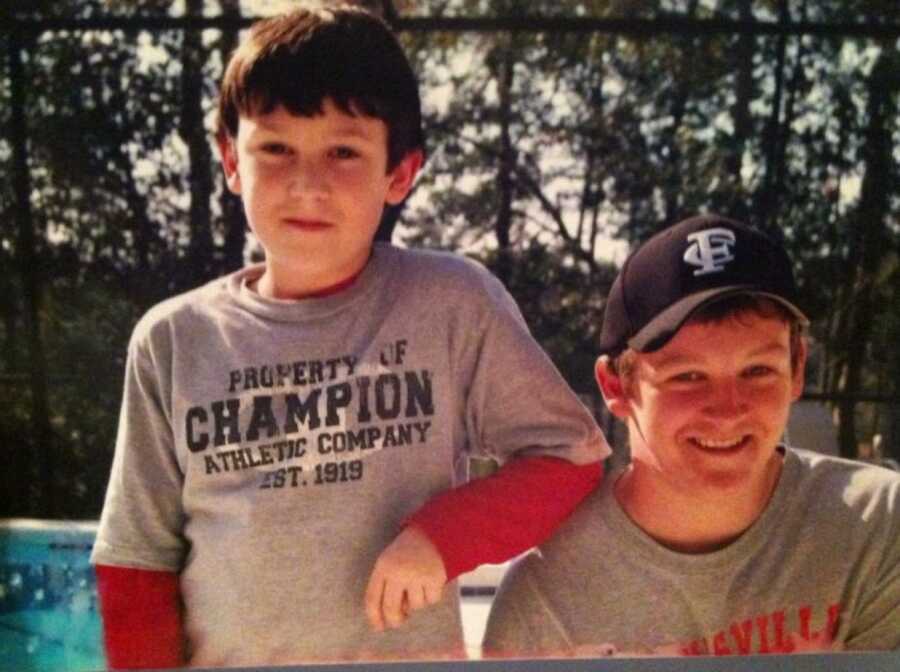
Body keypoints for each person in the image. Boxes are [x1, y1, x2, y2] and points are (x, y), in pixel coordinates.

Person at [89, 6, 609, 669]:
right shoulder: (170, 341)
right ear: (230, 161)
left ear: (400, 173)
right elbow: (136, 561)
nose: (307, 183)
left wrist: (440, 538)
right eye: (275, 148)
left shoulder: (449, 302)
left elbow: (570, 458)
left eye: (343, 151)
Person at [483, 214, 900, 657]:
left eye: (757, 370)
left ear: (797, 367)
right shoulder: (548, 594)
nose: (727, 409)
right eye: (687, 376)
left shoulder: (878, 527)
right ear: (615, 387)